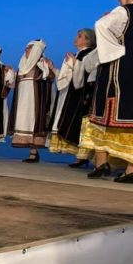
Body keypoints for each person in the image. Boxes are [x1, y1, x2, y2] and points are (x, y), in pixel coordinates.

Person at [80, 0, 133, 182]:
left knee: (106, 115)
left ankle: (108, 165)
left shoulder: (123, 11)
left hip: (118, 71)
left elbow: (101, 25)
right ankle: (107, 164)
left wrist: (113, 49)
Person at [48, 29, 98, 166]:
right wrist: (53, 68)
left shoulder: (89, 54)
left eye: (80, 36)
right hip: (71, 94)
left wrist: (76, 63)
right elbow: (67, 79)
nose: (76, 38)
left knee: (80, 125)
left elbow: (86, 74)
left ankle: (83, 157)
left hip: (81, 95)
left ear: (88, 40)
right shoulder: (78, 54)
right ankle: (79, 157)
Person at [8, 40, 57, 162]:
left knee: (34, 123)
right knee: (25, 123)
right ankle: (32, 152)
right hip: (22, 100)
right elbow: (14, 84)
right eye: (26, 47)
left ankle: (33, 153)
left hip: (35, 100)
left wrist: (47, 69)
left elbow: (50, 77)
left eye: (30, 47)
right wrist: (10, 74)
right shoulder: (22, 65)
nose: (26, 49)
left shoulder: (42, 63)